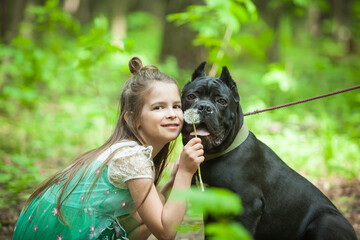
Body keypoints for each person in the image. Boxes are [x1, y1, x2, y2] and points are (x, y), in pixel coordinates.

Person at [13, 57, 204, 240]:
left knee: (155, 207)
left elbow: (156, 215)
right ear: (133, 120)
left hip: (57, 222)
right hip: (58, 230)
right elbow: (165, 232)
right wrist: (185, 173)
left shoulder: (129, 150)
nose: (171, 114)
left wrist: (172, 180)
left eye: (176, 106)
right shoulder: (131, 157)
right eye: (158, 108)